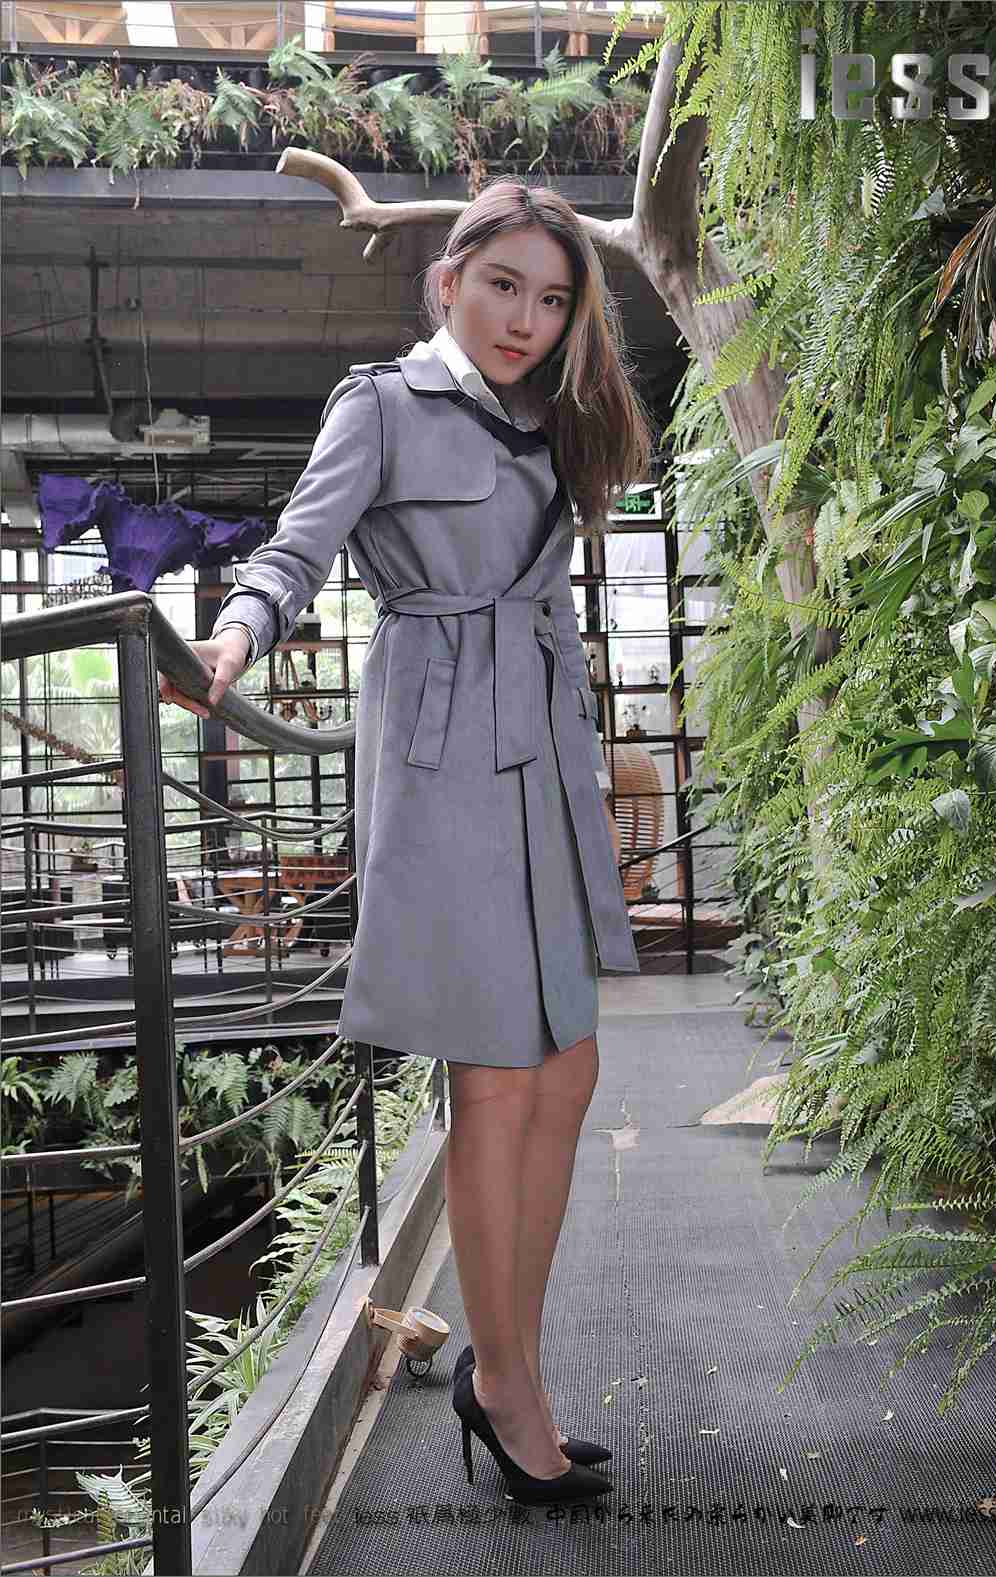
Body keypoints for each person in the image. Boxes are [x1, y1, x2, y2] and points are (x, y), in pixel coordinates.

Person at [160, 178, 654, 1504]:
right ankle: (512, 1391)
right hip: (441, 755)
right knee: (496, 1077)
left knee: (568, 1071)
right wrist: (234, 637)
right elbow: (295, 551)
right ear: (447, 280)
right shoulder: (379, 404)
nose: (526, 318)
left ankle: (507, 1364)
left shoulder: (551, 419)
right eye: (503, 286)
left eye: (552, 300)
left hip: (540, 748)